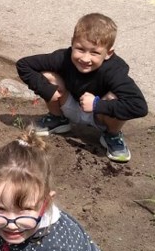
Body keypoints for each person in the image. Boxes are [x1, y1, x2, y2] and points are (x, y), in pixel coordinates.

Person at [15, 12, 147, 163]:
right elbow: (23, 64)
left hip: (100, 115)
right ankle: (58, 118)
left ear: (108, 53)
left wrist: (98, 104)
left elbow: (140, 106)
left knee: (115, 96)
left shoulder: (115, 70)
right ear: (72, 43)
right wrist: (47, 90)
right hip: (70, 105)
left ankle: (112, 134)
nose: (85, 58)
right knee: (48, 76)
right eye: (80, 49)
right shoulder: (63, 57)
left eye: (95, 53)